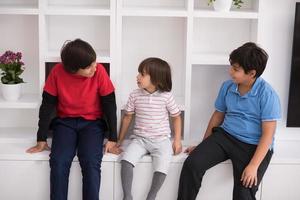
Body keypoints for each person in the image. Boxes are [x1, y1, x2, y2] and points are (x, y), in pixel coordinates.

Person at [177, 42, 281, 200]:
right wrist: (203, 144)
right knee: (192, 164)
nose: (230, 71)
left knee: (244, 190)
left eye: (236, 69)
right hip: (226, 136)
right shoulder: (227, 86)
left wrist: (253, 166)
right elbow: (218, 115)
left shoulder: (267, 95)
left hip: (253, 145)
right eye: (231, 66)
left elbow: (268, 135)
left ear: (252, 73)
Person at [26, 38, 118, 200]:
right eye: (89, 67)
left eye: (94, 62)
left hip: (92, 124)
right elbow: (47, 105)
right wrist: (41, 138)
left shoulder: (99, 71)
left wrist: (113, 137)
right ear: (74, 69)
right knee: (58, 161)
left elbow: (110, 103)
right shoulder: (57, 72)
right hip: (65, 123)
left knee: (90, 161)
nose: (94, 68)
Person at [116, 57, 182, 200]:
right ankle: (127, 196)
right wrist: (119, 141)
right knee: (126, 160)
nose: (137, 76)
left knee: (163, 165)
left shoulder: (166, 96)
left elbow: (176, 117)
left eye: (142, 74)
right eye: (139, 73)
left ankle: (151, 196)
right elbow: (127, 117)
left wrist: (177, 141)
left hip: (161, 140)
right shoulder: (135, 95)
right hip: (140, 139)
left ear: (156, 79)